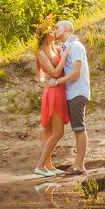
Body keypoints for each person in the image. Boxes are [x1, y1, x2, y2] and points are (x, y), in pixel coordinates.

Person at [48, 19, 90, 175]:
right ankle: (77, 164)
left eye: (57, 27)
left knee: (79, 128)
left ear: (66, 28)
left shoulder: (76, 47)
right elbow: (51, 48)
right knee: (77, 128)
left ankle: (80, 165)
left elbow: (76, 72)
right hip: (71, 93)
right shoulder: (67, 46)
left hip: (77, 92)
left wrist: (57, 81)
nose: (54, 29)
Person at [34, 17, 69, 177]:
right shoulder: (41, 53)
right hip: (53, 92)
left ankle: (48, 165)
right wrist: (66, 54)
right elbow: (54, 73)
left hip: (59, 89)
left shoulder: (55, 49)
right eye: (51, 31)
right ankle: (40, 165)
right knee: (58, 131)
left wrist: (64, 51)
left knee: (48, 131)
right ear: (45, 36)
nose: (54, 32)